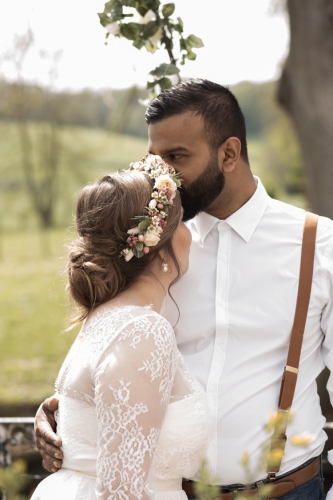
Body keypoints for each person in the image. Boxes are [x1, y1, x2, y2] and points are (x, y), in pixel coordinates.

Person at [35, 79, 333, 499]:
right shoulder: (153, 247)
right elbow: (113, 347)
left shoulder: (320, 245)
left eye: (177, 157)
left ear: (229, 153)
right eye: (155, 158)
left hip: (290, 490)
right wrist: (62, 410)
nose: (164, 175)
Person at [30, 157, 210, 500]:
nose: (192, 233)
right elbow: (121, 493)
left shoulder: (105, 316)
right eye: (183, 220)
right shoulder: (142, 330)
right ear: (159, 249)